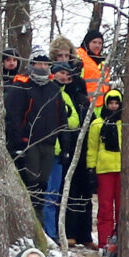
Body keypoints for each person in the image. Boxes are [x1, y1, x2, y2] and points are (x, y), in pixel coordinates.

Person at [5, 46, 67, 217]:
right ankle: (31, 219)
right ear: (32, 64)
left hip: (49, 143)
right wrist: (17, 143)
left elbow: (62, 119)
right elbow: (13, 116)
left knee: (43, 184)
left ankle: (39, 223)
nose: (42, 67)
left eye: (45, 64)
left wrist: (65, 146)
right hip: (28, 142)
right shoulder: (21, 87)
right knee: (30, 183)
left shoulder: (54, 89)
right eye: (39, 64)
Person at [40, 58, 88, 244]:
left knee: (55, 194)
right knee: (46, 193)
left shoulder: (65, 95)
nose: (65, 76)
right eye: (61, 72)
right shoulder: (49, 91)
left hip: (60, 150)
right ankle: (49, 233)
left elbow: (74, 121)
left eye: (67, 73)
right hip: (47, 149)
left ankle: (53, 233)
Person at [87, 89, 123, 249]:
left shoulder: (127, 122)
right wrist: (90, 168)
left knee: (123, 209)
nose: (114, 106)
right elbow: (92, 148)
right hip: (104, 170)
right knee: (105, 209)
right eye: (111, 103)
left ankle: (122, 243)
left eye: (116, 103)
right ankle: (105, 243)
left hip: (124, 170)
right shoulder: (97, 124)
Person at [76, 30, 110, 112]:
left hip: (102, 107)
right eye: (94, 42)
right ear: (87, 43)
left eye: (100, 43)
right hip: (84, 106)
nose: (97, 45)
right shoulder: (78, 58)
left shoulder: (103, 63)